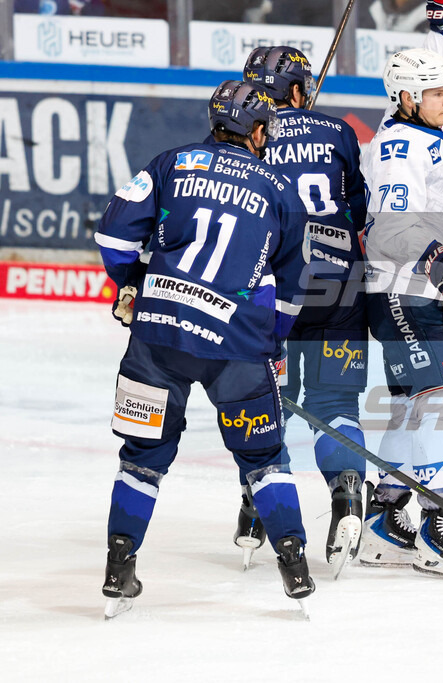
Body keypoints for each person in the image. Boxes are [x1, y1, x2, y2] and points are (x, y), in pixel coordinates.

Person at [94, 80, 313, 617]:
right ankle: (293, 563)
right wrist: (272, 341)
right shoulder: (281, 189)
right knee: (263, 458)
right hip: (237, 345)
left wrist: (133, 284)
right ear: (255, 130)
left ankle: (119, 565)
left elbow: (113, 237)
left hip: (157, 338)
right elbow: (293, 289)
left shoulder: (171, 163)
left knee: (142, 457)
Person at [359, 1, 443, 580]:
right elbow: (389, 230)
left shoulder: (415, 119)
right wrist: (441, 258)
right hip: (403, 288)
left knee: (412, 405)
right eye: (439, 93)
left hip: (413, 288)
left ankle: (384, 519)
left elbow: (434, 64)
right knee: (440, 395)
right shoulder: (402, 149)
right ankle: (439, 523)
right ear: (410, 98)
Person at [235, 46, 369, 579]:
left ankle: (256, 506)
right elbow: (358, 208)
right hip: (339, 286)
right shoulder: (339, 131)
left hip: (273, 291)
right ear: (296, 89)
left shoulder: (251, 135)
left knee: (267, 404)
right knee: (335, 402)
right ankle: (347, 496)